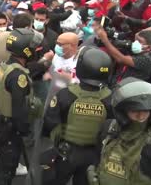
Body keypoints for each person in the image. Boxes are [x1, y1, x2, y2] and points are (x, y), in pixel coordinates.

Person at [41, 47, 113, 185]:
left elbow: (49, 124)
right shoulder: (111, 99)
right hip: (94, 155)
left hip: (66, 152)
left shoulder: (65, 95)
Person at [0, 28, 43, 185]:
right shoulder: (18, 75)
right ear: (26, 50)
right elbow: (19, 107)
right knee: (8, 167)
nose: (37, 49)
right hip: (11, 126)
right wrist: (24, 129)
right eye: (34, 47)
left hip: (1, 120)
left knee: (4, 161)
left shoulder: (6, 65)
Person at [87, 77, 151, 185]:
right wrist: (93, 171)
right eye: (134, 110)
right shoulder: (109, 127)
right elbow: (97, 157)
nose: (141, 116)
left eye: (146, 110)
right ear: (122, 111)